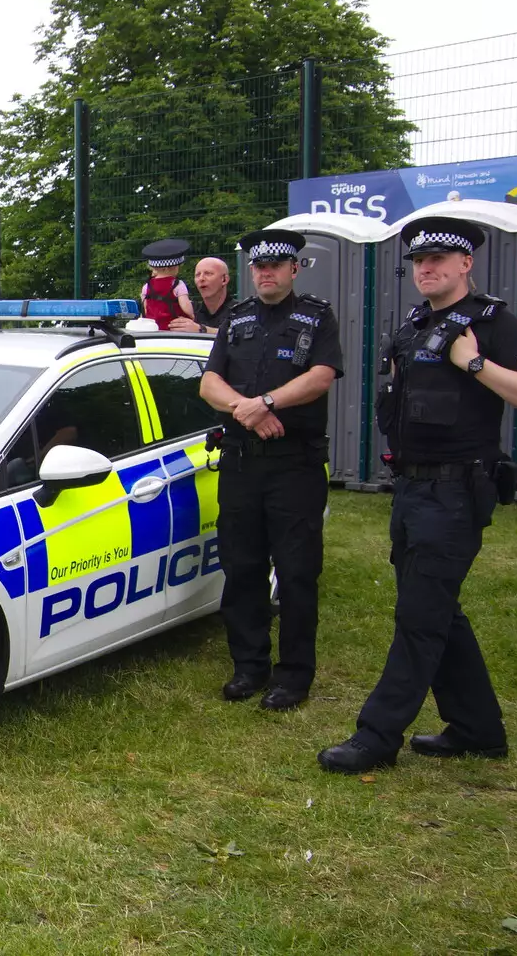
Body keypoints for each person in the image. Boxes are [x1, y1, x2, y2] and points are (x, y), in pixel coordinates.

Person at [319, 217, 517, 774]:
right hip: (412, 487)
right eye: (418, 260)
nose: (426, 268)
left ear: (467, 264)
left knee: (419, 615)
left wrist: (476, 363)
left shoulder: (492, 322)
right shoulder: (414, 326)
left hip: (457, 492)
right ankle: (478, 729)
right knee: (437, 611)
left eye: (439, 259)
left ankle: (377, 735)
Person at [199, 229, 341, 712]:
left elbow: (321, 376)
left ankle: (294, 676)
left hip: (294, 465)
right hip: (240, 462)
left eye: (276, 265)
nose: (266, 273)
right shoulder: (236, 319)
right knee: (242, 567)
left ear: (293, 269)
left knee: (298, 571)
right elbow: (209, 383)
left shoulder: (317, 316)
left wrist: (267, 403)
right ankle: (249, 666)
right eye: (258, 267)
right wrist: (247, 410)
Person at [139, 239, 197, 331]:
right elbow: (186, 307)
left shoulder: (146, 286)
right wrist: (192, 315)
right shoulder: (178, 284)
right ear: (173, 267)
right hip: (174, 329)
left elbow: (144, 309)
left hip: (153, 329)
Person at [170, 257, 234, 334]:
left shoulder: (239, 311)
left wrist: (202, 329)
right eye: (197, 275)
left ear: (224, 279)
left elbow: (237, 334)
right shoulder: (190, 311)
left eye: (208, 273)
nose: (201, 278)